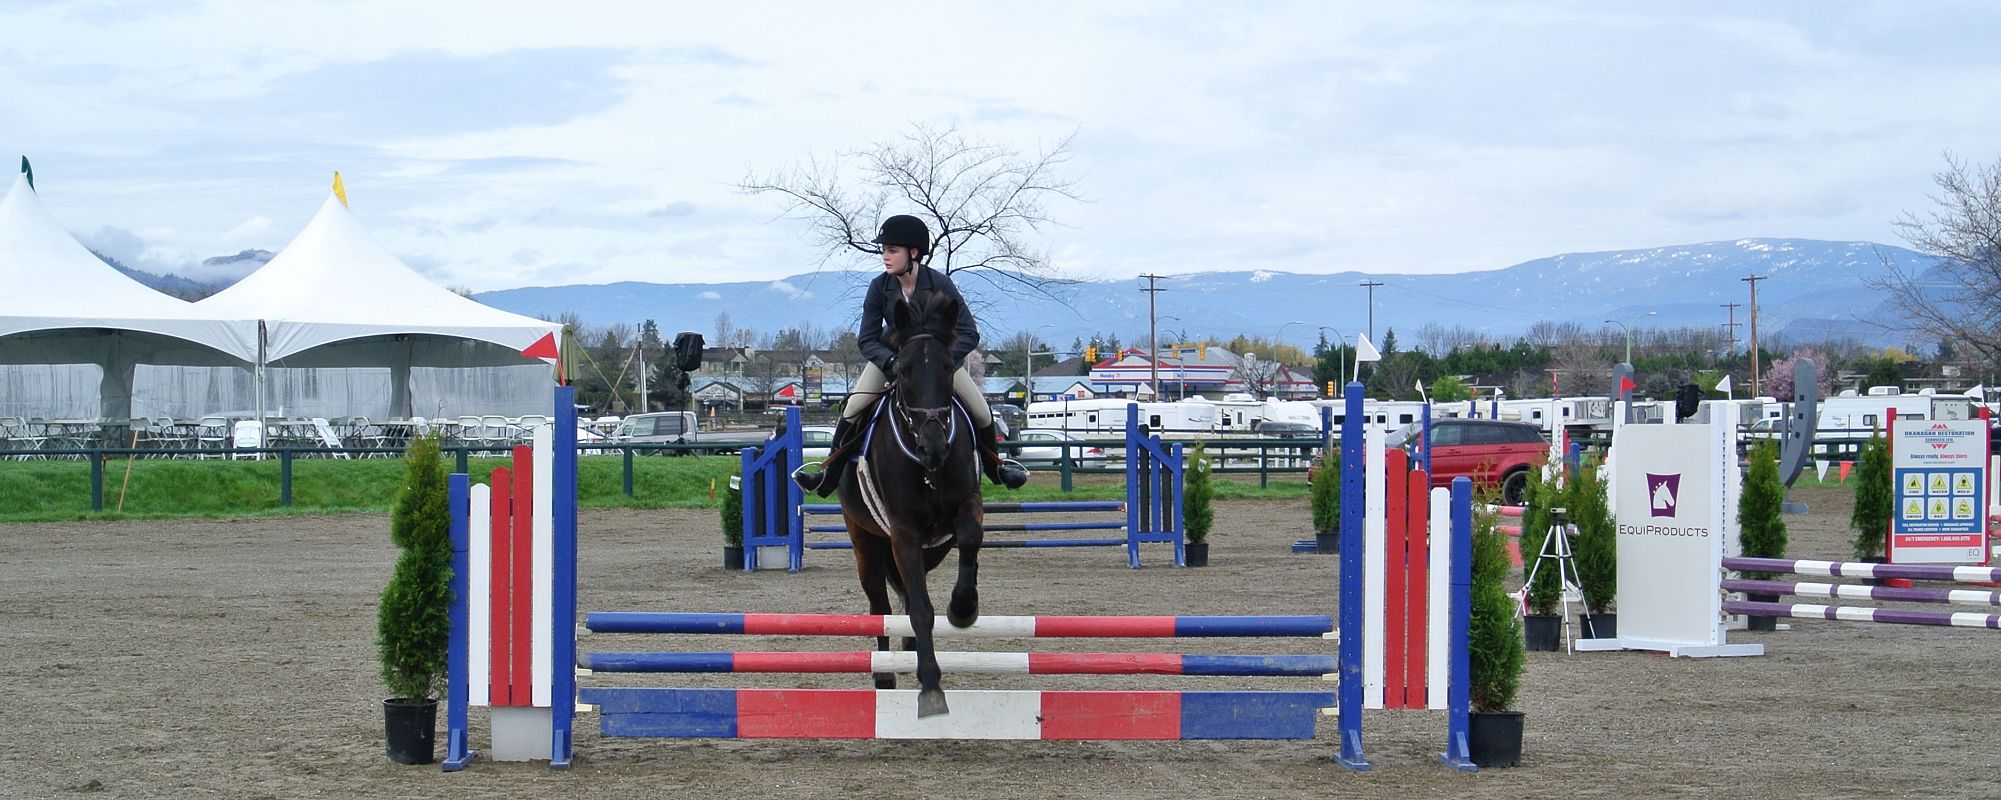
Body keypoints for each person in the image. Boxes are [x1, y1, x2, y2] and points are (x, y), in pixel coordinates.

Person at [793, 214, 1029, 497]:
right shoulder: (879, 288)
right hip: (891, 362)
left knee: (981, 410)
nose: (885, 257)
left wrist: (940, 360)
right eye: (884, 250)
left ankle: (997, 469)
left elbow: (969, 332)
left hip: (937, 364)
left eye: (892, 250)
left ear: (913, 253)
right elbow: (867, 338)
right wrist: (890, 362)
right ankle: (827, 475)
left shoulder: (939, 283)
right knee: (852, 408)